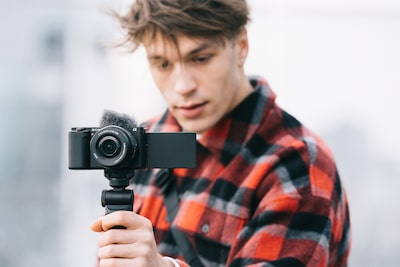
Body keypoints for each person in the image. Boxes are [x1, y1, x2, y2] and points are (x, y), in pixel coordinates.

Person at [90, 0, 351, 266]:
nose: (182, 86)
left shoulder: (298, 166)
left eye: (201, 59)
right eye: (163, 64)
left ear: (241, 46)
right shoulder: (142, 142)